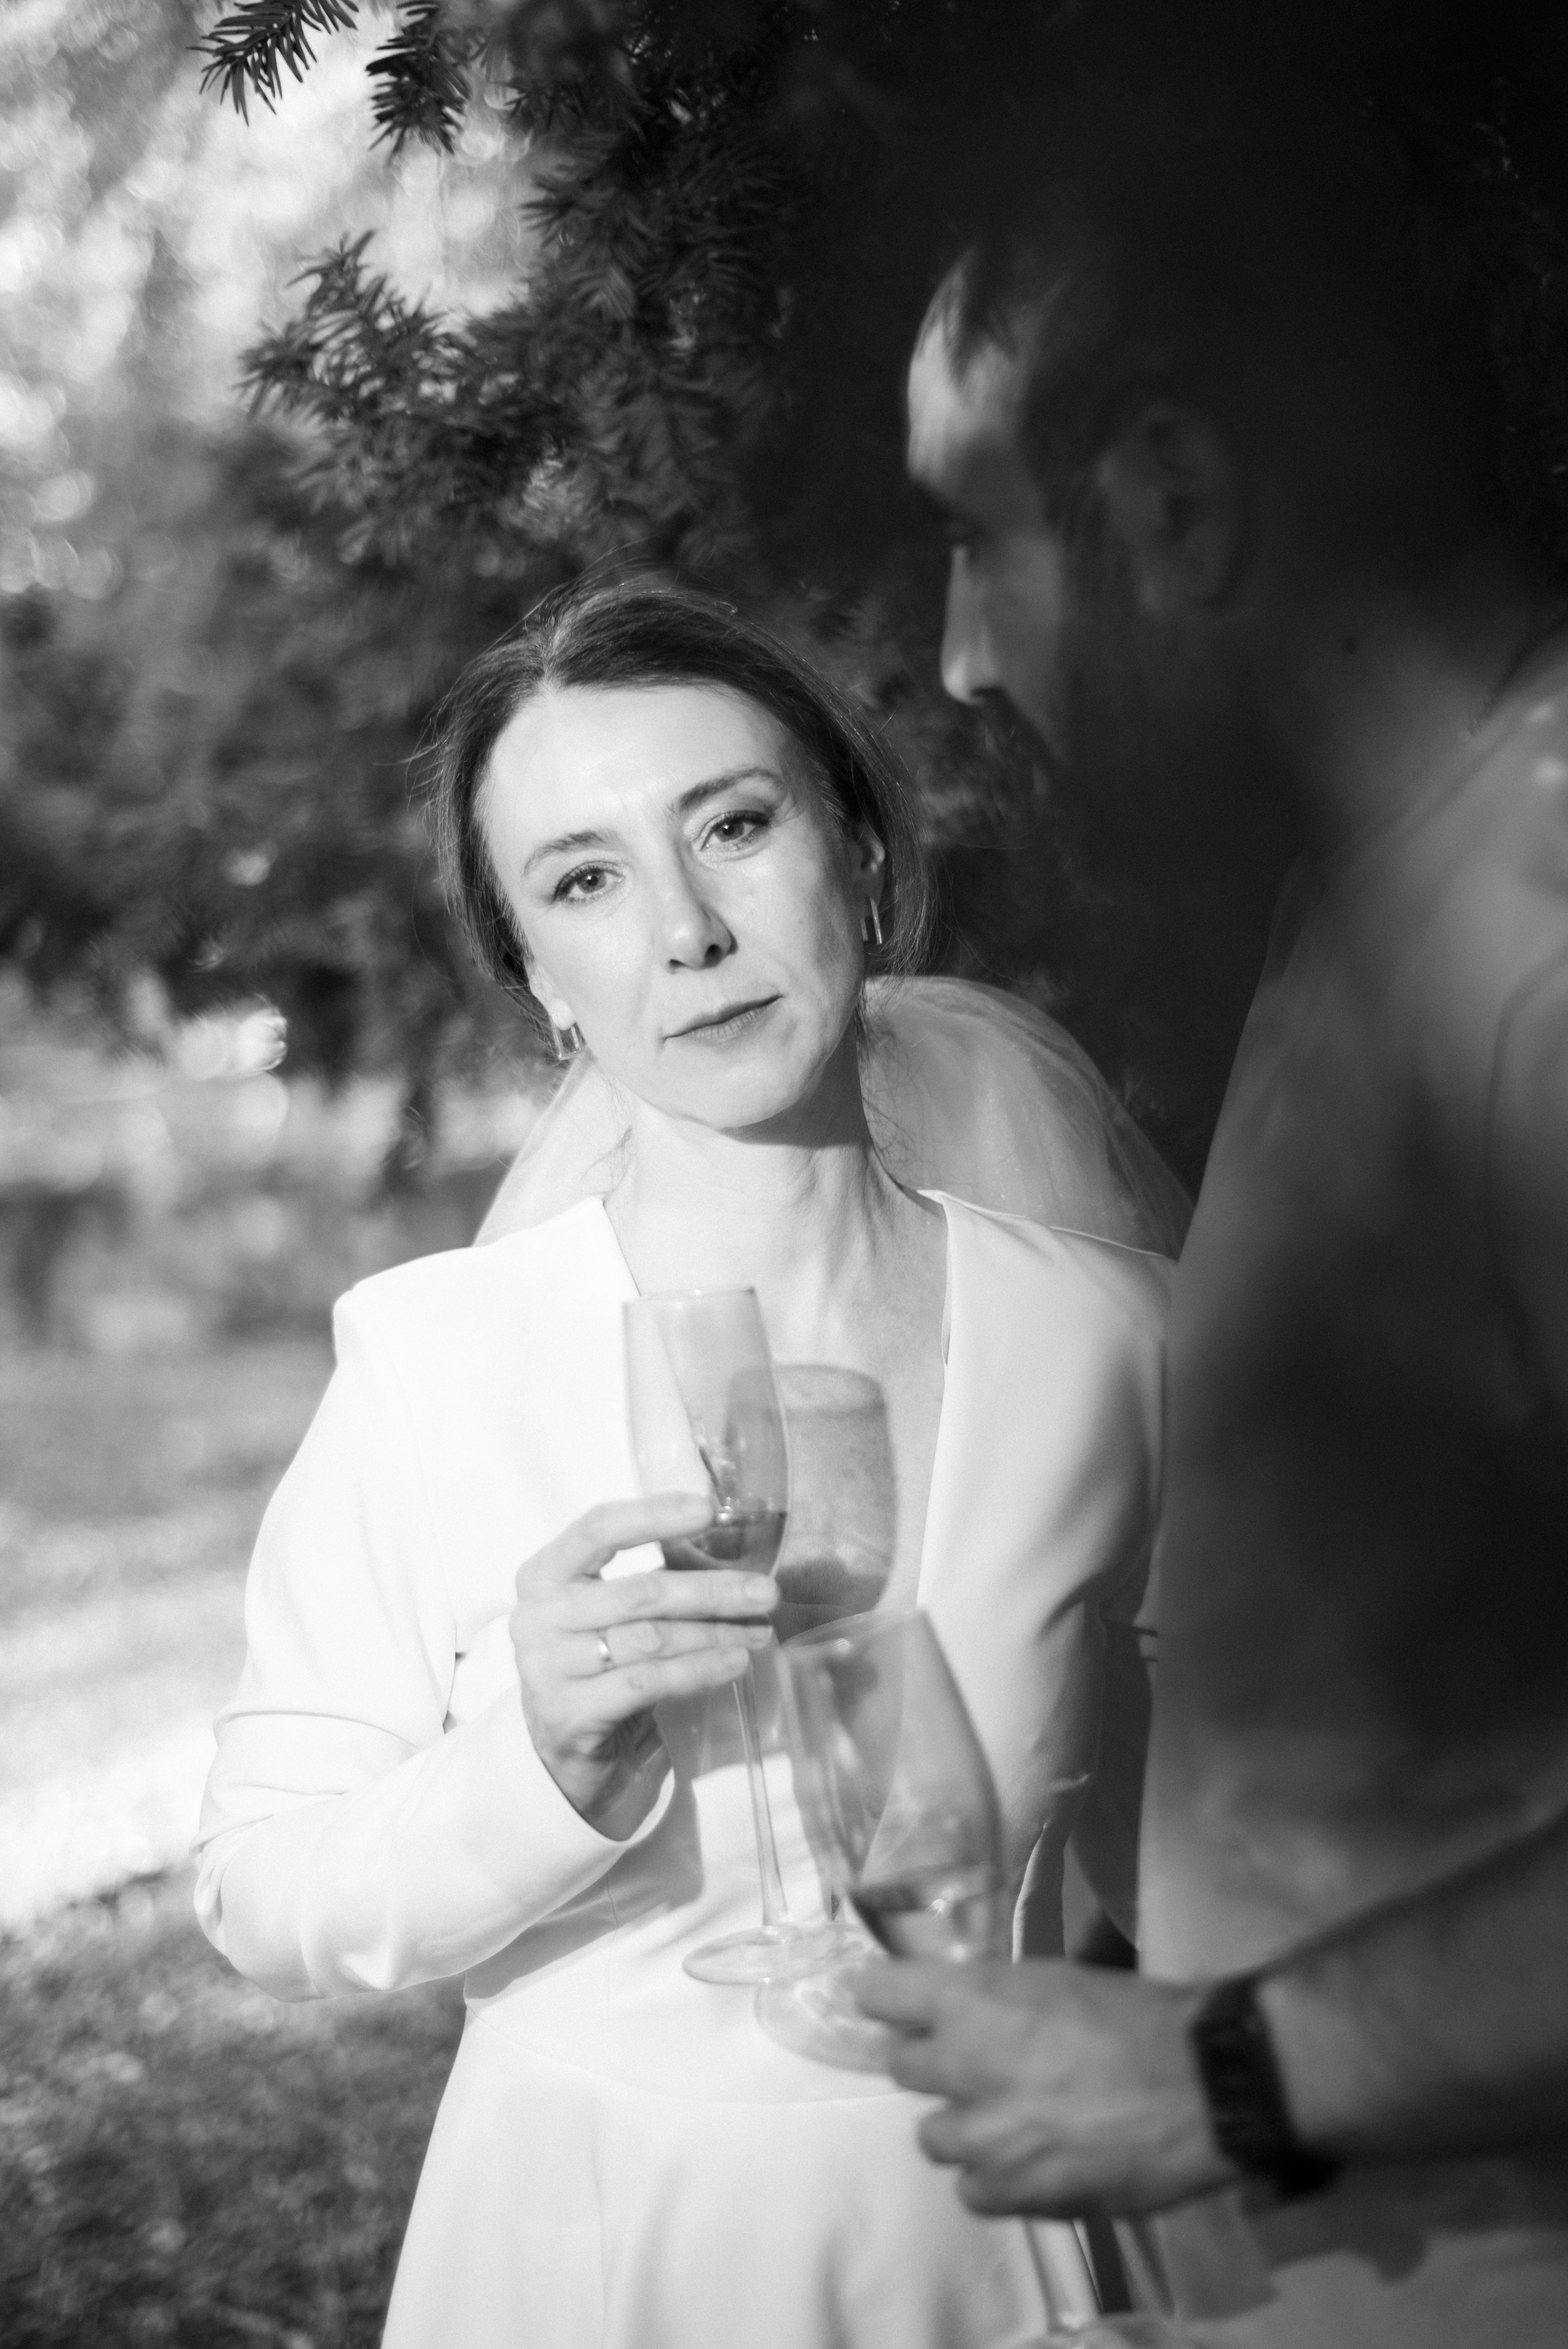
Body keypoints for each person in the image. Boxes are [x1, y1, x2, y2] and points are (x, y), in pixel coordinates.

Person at [194, 580, 1176, 2348]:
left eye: (732, 826)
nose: (687, 931)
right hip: (585, 2259)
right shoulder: (436, 1363)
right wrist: (542, 1759)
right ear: (539, 981)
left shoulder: (1119, 1341)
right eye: (585, 880)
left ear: (859, 853)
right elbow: (262, 1896)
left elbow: (1222, 1874)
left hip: (991, 2253)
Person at [853, 29, 1568, 2347]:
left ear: (1171, 499)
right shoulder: (1358, 891)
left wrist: (1213, 2073)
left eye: (978, 540)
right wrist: (1144, 1963)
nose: (958, 658)